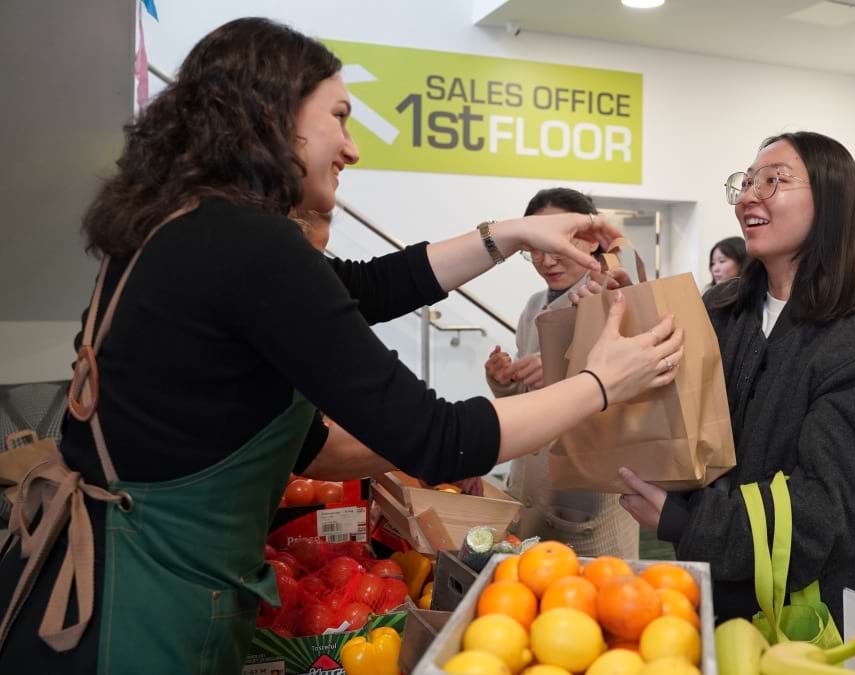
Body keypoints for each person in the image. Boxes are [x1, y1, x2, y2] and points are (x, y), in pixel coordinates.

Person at [0, 19, 684, 671]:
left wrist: (509, 235)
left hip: (91, 583)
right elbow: (437, 438)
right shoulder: (248, 245)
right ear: (273, 117)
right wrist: (600, 383)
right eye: (339, 118)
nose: (352, 146)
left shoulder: (185, 227)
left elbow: (365, 286)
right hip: (137, 611)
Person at [588, 131, 855, 629]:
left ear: (831, 201)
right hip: (723, 589)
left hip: (814, 619)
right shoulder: (724, 310)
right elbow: (681, 417)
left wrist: (691, 521)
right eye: (746, 182)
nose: (748, 196)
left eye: (774, 181)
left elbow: (826, 513)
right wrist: (622, 314)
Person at [483, 187, 640, 558]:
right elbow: (529, 396)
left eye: (557, 244)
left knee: (598, 598)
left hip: (588, 494)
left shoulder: (614, 297)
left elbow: (634, 394)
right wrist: (505, 381)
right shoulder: (534, 305)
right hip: (532, 481)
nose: (545, 260)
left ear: (590, 242)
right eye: (534, 247)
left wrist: (560, 370)